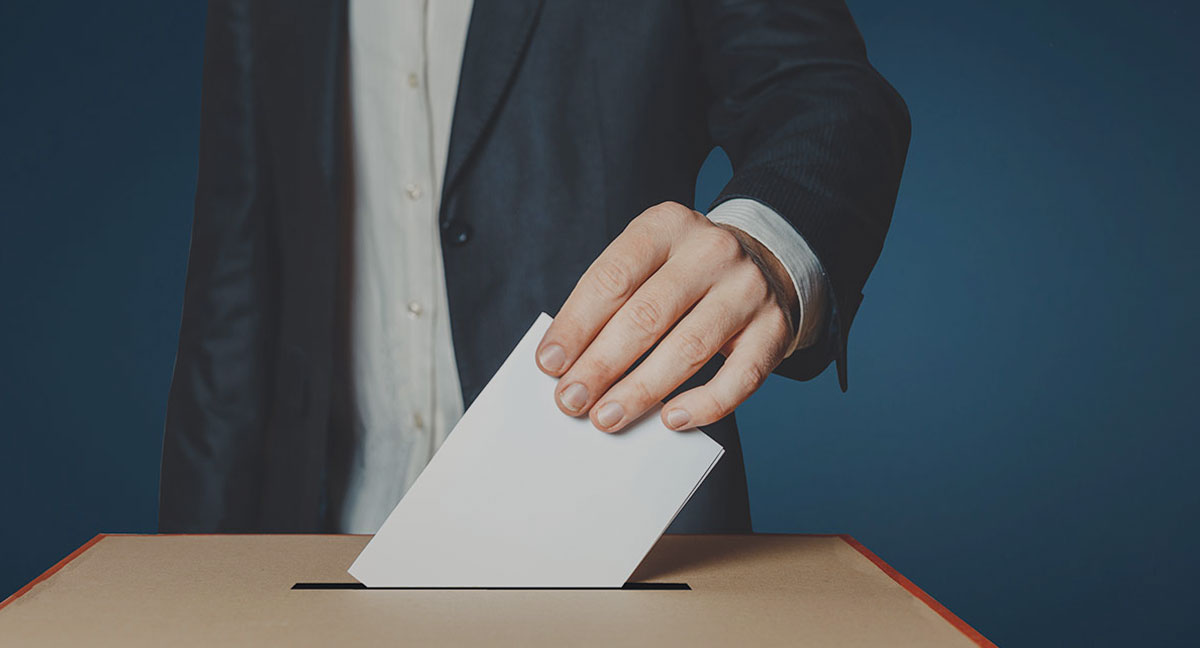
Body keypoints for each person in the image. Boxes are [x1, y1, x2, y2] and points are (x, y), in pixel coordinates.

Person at [159, 0, 910, 534]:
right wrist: (188, 585)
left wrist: (770, 238)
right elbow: (237, 265)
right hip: (319, 541)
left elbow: (822, 89)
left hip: (615, 539)